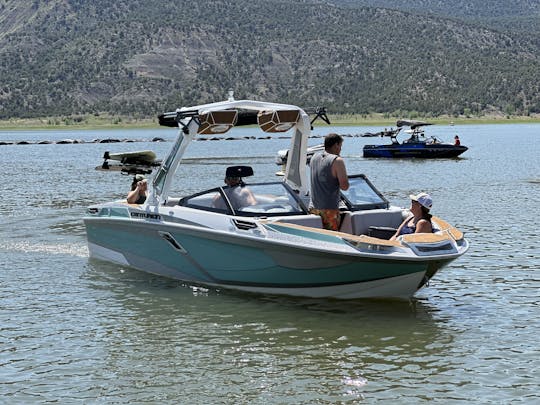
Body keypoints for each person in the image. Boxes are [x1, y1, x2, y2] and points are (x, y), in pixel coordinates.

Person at [309, 133, 349, 231]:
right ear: (336, 145)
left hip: (313, 207)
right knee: (332, 239)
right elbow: (344, 186)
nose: (341, 149)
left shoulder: (314, 158)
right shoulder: (337, 161)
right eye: (340, 146)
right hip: (329, 210)